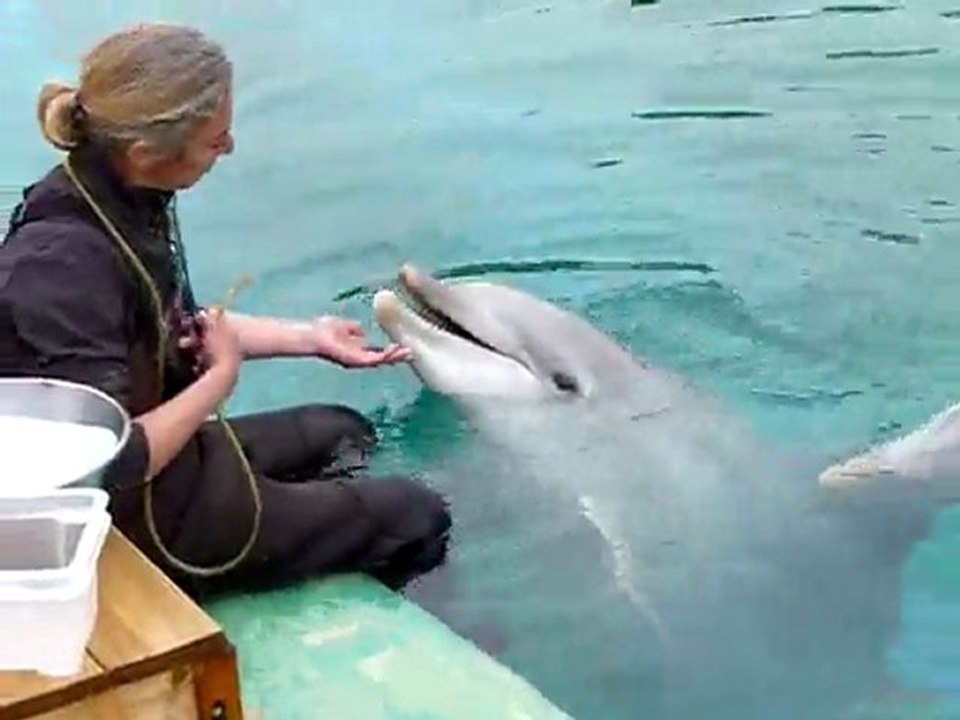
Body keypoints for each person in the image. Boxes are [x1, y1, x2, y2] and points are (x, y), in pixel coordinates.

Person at [0, 22, 451, 598]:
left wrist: (311, 338)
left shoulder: (117, 196)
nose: (229, 148)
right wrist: (221, 380)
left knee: (344, 431)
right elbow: (110, 464)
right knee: (417, 515)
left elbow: (174, 329)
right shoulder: (60, 269)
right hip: (130, 525)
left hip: (170, 468)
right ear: (146, 152)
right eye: (215, 140)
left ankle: (311, 535)